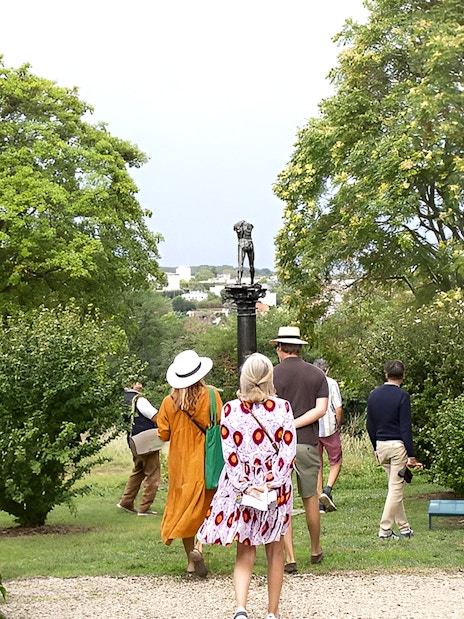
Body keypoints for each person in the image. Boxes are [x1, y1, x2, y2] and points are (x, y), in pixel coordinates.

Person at [198, 353, 296, 619]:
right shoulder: (283, 408)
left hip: (244, 490)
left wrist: (246, 484)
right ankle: (272, 612)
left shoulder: (229, 409)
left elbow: (230, 453)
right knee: (275, 550)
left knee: (245, 548)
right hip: (276, 490)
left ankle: (241, 607)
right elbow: (287, 451)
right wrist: (271, 482)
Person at [157, 349, 223, 577]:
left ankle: (190, 562)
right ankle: (199, 547)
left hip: (181, 464)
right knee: (204, 508)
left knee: (185, 508)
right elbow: (221, 424)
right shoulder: (212, 395)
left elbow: (163, 434)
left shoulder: (168, 402)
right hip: (207, 462)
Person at [271, 326, 329, 574]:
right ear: (299, 348)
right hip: (306, 442)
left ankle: (289, 557)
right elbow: (321, 409)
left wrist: (286, 425)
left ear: (279, 348)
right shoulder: (317, 375)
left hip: (277, 446)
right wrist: (296, 424)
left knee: (283, 501)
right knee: (310, 499)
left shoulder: (271, 375)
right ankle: (315, 549)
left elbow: (267, 409)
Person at [366, 360, 423, 540]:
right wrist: (411, 455)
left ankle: (404, 528)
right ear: (403, 376)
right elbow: (405, 428)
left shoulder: (373, 395)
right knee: (396, 489)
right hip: (397, 446)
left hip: (381, 445)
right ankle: (384, 530)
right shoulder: (402, 396)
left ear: (386, 374)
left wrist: (375, 446)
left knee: (394, 488)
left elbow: (369, 425)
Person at [117, 382, 161, 516]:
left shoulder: (123, 399)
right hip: (147, 441)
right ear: (132, 384)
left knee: (139, 471)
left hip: (133, 440)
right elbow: (156, 417)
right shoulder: (139, 400)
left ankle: (126, 501)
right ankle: (144, 507)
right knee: (153, 473)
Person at [312, 358, 343, 513]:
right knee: (335, 461)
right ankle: (327, 489)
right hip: (329, 427)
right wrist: (338, 424)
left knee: (318, 464)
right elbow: (338, 407)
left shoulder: (308, 382)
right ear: (327, 369)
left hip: (313, 427)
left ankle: (319, 501)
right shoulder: (331, 383)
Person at [234, 220, 255, 285]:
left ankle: (239, 280)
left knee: (240, 264)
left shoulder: (237, 226)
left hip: (242, 243)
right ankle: (252, 280)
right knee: (251, 264)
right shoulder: (249, 226)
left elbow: (237, 230)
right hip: (250, 242)